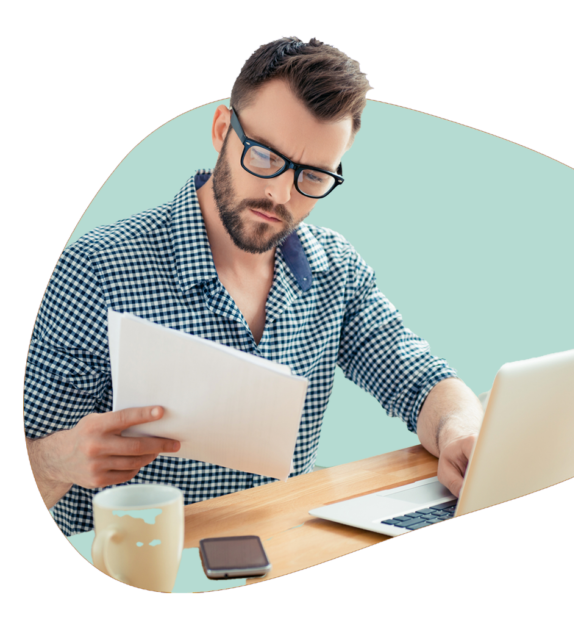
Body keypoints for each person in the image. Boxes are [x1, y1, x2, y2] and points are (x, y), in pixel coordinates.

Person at [24, 36, 484, 536]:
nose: (280, 193)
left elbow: (418, 376)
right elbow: (41, 463)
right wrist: (57, 462)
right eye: (265, 157)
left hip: (285, 553)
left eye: (313, 176)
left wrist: (459, 428)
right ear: (223, 129)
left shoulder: (336, 268)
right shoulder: (94, 271)